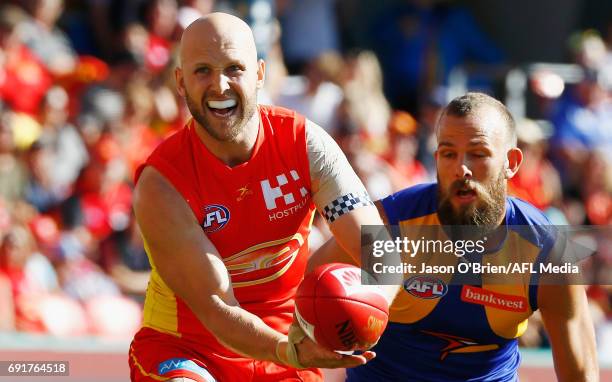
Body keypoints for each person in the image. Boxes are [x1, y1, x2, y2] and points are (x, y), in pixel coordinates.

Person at [128, 13, 387, 382]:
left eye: (234, 68)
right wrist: (289, 351)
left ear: (260, 74)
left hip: (290, 347)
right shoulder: (161, 184)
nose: (220, 85)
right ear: (181, 83)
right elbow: (217, 309)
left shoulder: (306, 144)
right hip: (188, 349)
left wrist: (370, 314)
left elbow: (377, 249)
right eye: (203, 71)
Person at [337, 93, 598, 381]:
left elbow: (582, 374)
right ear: (436, 160)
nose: (461, 168)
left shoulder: (546, 252)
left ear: (511, 162)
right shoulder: (390, 223)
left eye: (478, 153)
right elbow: (306, 289)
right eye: (449, 154)